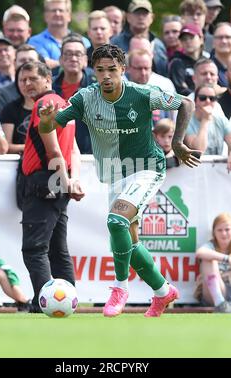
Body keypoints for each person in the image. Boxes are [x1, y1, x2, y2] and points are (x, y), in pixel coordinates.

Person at [37, 44, 201, 317]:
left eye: (112, 69)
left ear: (123, 70)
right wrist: (45, 121)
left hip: (147, 167)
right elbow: (50, 127)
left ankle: (119, 288)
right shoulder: (85, 98)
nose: (106, 76)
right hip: (114, 174)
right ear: (94, 72)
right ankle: (163, 292)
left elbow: (187, 102)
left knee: (116, 221)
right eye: (100, 70)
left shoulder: (141, 93)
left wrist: (178, 142)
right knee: (128, 241)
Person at [20, 61, 84, 312]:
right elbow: (75, 149)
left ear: (48, 80)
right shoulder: (65, 104)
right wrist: (72, 179)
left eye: (32, 79)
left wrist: (65, 180)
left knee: (35, 249)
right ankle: (69, 303)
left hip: (44, 181)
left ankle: (44, 304)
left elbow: (53, 148)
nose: (27, 84)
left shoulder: (42, 105)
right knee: (58, 250)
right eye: (23, 80)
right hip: (59, 179)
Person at [195, 213, 231, 313]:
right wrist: (229, 259)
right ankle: (220, 305)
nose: (224, 234)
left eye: (227, 229)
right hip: (215, 294)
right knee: (208, 260)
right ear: (214, 232)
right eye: (219, 230)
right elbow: (200, 253)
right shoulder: (210, 246)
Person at [185, 84, 231, 172]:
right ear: (195, 101)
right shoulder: (186, 121)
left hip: (214, 173)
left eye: (212, 98)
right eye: (203, 98)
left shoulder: (221, 120)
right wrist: (205, 119)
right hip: (191, 171)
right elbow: (198, 150)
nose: (208, 101)